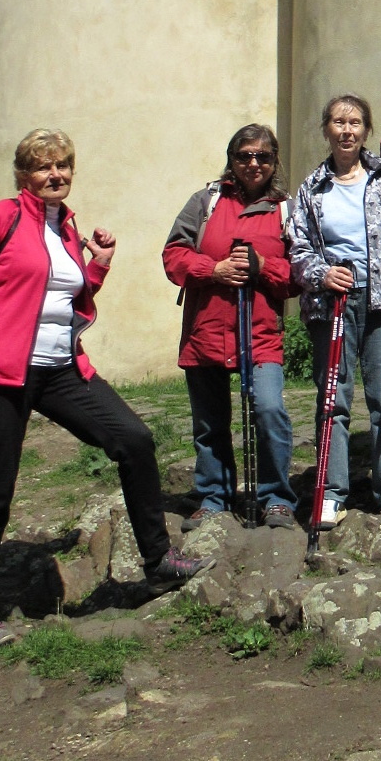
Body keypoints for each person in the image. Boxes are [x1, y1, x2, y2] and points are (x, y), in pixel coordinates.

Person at [0, 128, 207, 651]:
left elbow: (64, 296)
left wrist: (97, 266)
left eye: (62, 166)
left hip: (62, 369)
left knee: (133, 438)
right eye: (42, 167)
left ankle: (158, 563)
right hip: (0, 372)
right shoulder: (1, 218)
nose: (54, 175)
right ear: (23, 174)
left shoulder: (66, 226)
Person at [288, 94, 381, 525]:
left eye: (355, 122)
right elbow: (298, 249)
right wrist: (321, 273)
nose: (346, 130)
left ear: (366, 130)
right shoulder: (312, 188)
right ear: (327, 129)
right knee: (332, 398)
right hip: (331, 303)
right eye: (338, 122)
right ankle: (331, 491)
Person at [163, 125, 299, 531]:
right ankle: (214, 496)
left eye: (263, 156)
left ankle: (276, 496)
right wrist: (214, 269)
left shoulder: (287, 209)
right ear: (232, 158)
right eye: (244, 156)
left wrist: (263, 267)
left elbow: (299, 274)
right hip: (206, 328)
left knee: (270, 410)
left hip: (259, 331)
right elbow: (174, 256)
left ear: (274, 162)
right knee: (209, 422)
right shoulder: (206, 201)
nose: (253, 164)